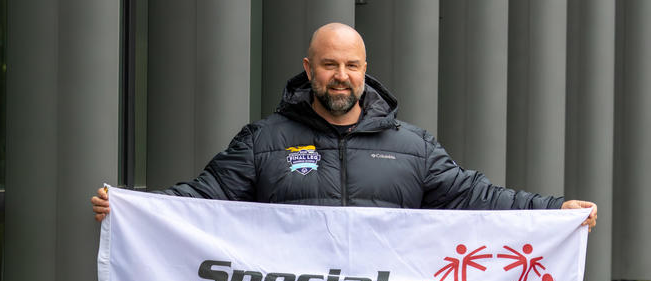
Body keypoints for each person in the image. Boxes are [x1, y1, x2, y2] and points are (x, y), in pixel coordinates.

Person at [92, 22, 597, 229]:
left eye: (351, 66)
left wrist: (557, 211)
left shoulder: (413, 146)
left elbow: (478, 197)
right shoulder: (264, 140)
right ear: (309, 69)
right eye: (330, 65)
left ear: (365, 70)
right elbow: (203, 196)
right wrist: (133, 209)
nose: (341, 77)